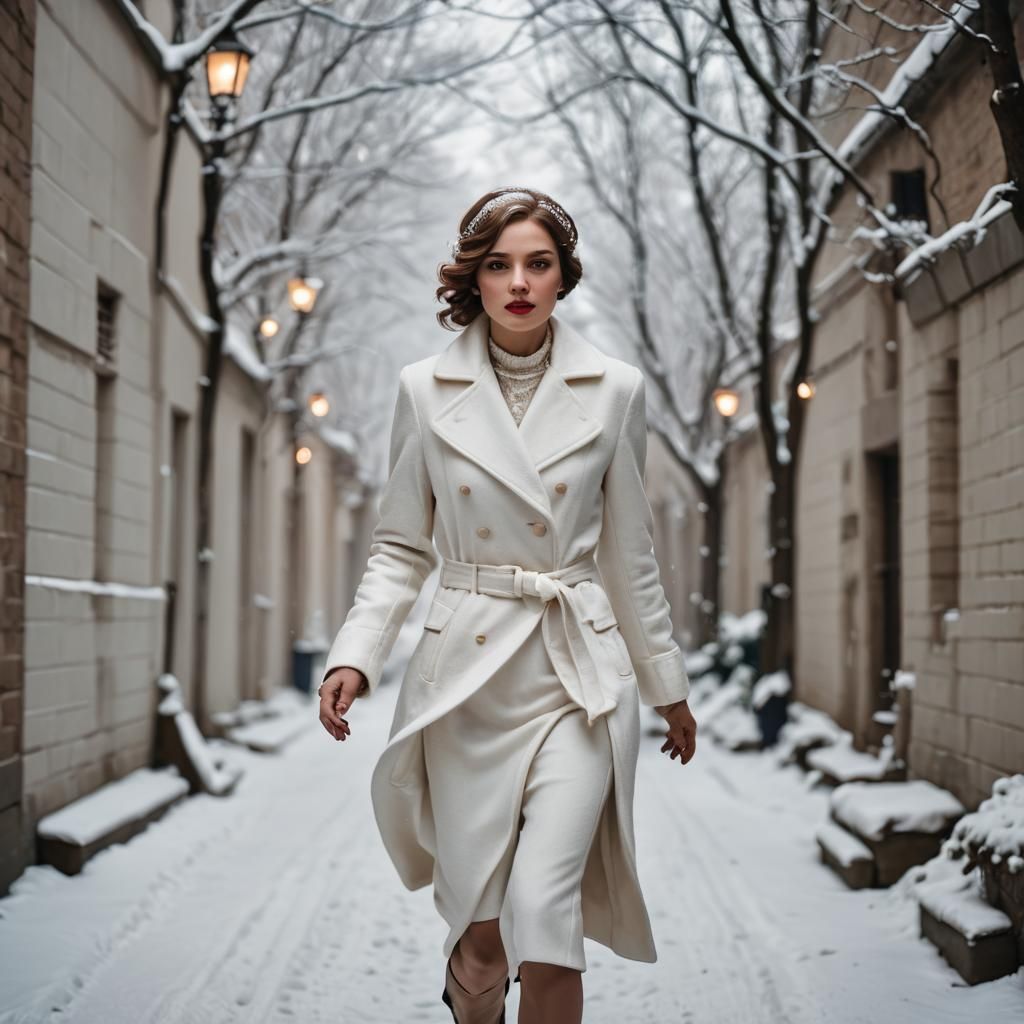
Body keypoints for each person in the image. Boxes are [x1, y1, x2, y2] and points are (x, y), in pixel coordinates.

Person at [317, 186, 698, 1024]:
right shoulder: (424, 388)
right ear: (475, 280)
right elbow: (400, 546)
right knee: (485, 941)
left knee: (547, 912)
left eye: (539, 263)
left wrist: (665, 684)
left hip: (578, 677)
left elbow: (629, 556)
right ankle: (470, 984)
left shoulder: (617, 390)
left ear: (563, 278)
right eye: (499, 265)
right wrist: (356, 652)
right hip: (466, 680)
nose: (519, 281)